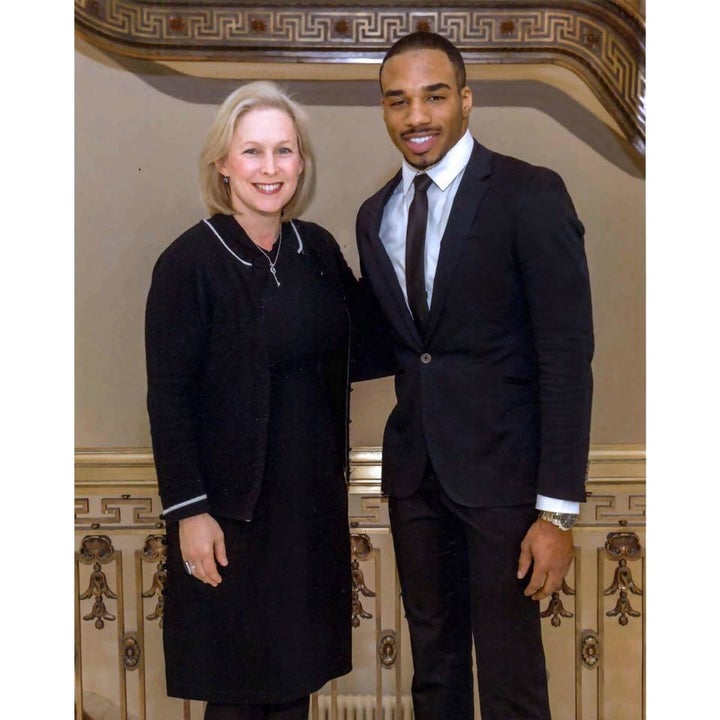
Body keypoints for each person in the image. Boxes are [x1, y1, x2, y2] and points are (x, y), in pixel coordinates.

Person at [355, 32, 594, 720]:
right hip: (415, 478)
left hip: (508, 486)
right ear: (384, 111)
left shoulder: (530, 194)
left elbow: (566, 356)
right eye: (398, 101)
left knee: (513, 678)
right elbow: (399, 350)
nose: (416, 116)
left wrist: (557, 510)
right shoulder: (376, 216)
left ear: (465, 100)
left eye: (433, 96)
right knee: (435, 674)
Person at [145, 81, 381, 720]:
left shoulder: (319, 252)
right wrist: (190, 513)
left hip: (308, 517)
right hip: (229, 522)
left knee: (293, 691)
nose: (269, 169)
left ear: (301, 162)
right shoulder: (187, 264)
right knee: (240, 695)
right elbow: (168, 398)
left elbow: (374, 345)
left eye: (284, 151)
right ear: (222, 163)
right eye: (252, 152)